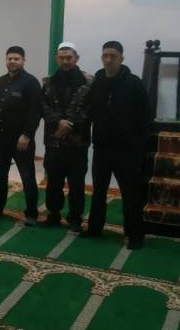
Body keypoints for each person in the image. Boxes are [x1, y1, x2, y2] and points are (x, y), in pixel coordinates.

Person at [82, 41, 149, 250]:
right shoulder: (98, 81)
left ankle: (135, 235)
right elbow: (88, 110)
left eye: (113, 56)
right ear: (102, 58)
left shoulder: (134, 84)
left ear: (121, 58)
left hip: (127, 150)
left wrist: (138, 146)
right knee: (99, 191)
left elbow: (145, 117)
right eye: (105, 56)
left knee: (130, 194)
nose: (109, 60)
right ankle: (95, 228)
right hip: (102, 148)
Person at [0, 46, 42, 225]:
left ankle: (31, 214)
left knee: (27, 177)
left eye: (16, 58)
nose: (12, 61)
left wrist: (27, 135)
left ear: (23, 60)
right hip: (1, 138)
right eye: (10, 58)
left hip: (21, 140)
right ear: (6, 60)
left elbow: (35, 111)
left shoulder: (31, 82)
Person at [42, 42, 93, 232]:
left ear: (76, 58)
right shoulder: (48, 82)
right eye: (62, 58)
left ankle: (75, 218)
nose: (65, 61)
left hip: (77, 142)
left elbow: (90, 109)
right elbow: (43, 106)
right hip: (54, 141)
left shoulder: (89, 82)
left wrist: (68, 124)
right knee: (53, 181)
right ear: (57, 59)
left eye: (69, 58)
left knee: (76, 182)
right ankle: (53, 214)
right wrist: (58, 122)